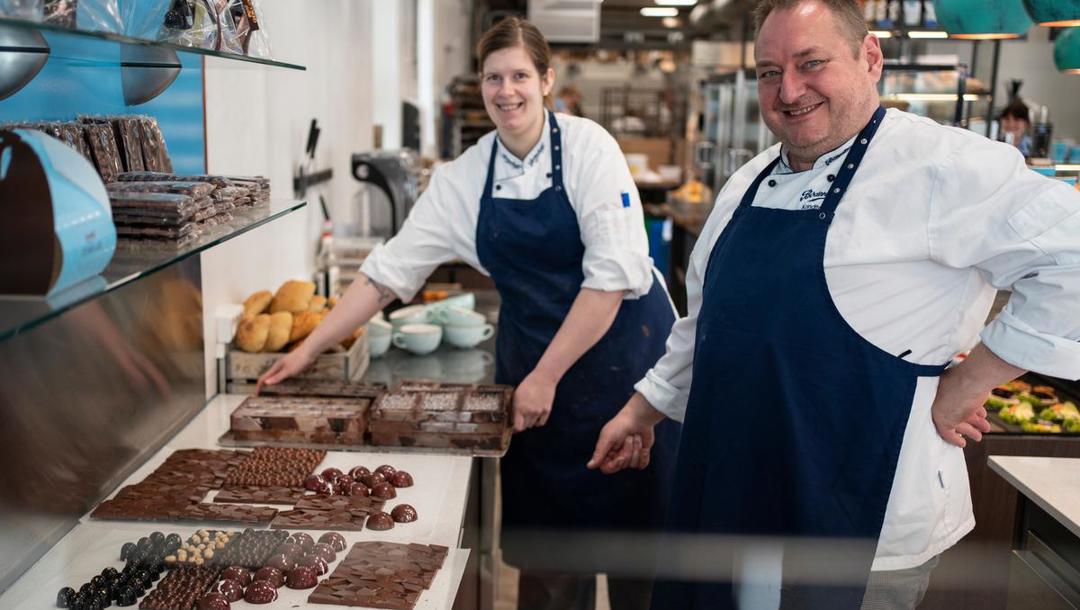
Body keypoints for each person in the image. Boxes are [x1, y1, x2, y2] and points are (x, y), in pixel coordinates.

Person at [588, 1, 1080, 609]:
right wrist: (644, 409)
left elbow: (1072, 257)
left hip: (860, 521)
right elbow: (707, 329)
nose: (789, 89)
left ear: (869, 57)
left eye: (810, 63)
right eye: (770, 71)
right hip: (735, 498)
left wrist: (974, 378)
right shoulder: (747, 181)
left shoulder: (941, 167)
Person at [258, 16, 680, 610]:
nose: (507, 91)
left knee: (640, 562)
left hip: (623, 366)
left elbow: (609, 284)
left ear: (547, 80)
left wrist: (544, 377)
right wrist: (306, 349)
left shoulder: (590, 149)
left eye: (520, 76)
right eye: (492, 78)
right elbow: (388, 273)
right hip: (538, 375)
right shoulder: (466, 177)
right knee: (551, 563)